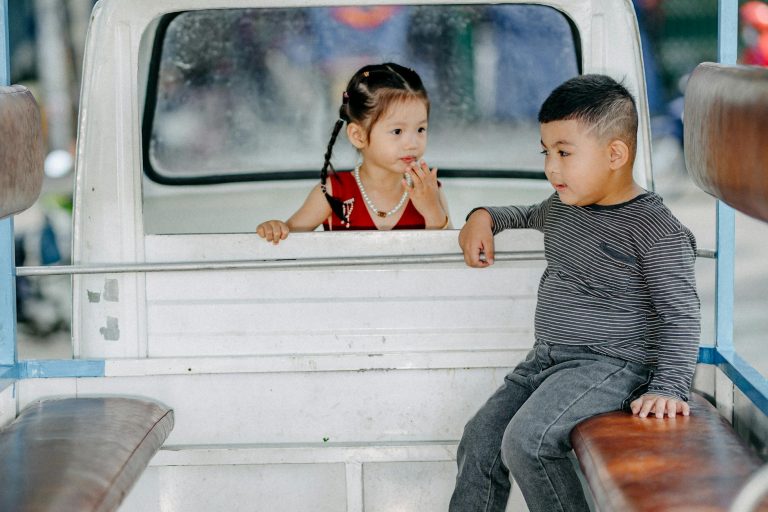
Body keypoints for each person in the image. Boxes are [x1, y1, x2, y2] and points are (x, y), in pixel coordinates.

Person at [449, 74, 700, 512]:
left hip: (613, 364)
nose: (551, 168)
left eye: (564, 153)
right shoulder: (565, 206)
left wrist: (670, 387)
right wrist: (482, 215)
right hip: (544, 360)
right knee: (480, 439)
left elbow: (681, 315)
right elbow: (523, 213)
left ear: (615, 154)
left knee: (528, 441)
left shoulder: (656, 231)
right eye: (546, 152)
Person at [256, 62, 450, 243]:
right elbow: (289, 241)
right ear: (358, 136)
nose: (412, 143)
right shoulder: (334, 193)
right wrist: (275, 229)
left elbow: (449, 261)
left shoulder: (430, 190)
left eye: (420, 129)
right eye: (397, 131)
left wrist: (432, 210)